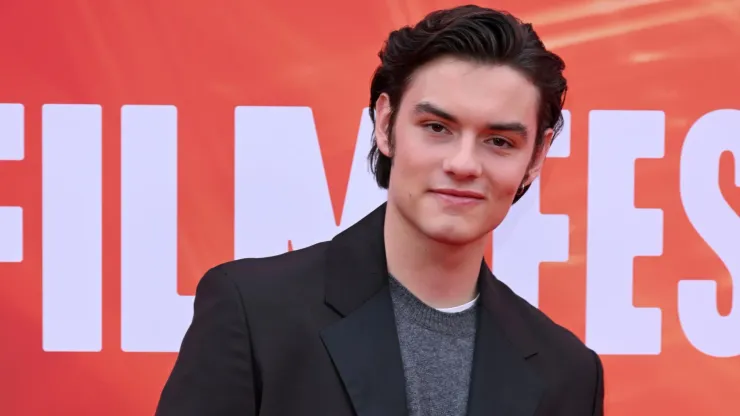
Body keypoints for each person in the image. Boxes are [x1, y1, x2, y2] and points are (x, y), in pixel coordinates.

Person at [156, 5, 605, 416]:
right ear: (386, 125)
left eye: (499, 141)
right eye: (437, 128)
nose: (464, 164)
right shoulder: (254, 314)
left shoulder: (568, 372)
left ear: (537, 157)